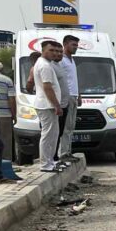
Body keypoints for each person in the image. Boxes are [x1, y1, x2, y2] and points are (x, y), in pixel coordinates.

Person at [32, 40, 64, 172]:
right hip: (46, 105)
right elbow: (47, 87)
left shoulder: (46, 64)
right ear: (43, 50)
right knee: (48, 135)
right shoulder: (44, 65)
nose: (54, 53)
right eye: (51, 50)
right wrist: (57, 105)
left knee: (53, 134)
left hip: (48, 105)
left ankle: (50, 161)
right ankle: (45, 164)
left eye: (57, 51)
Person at [0, 60, 20, 182]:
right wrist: (14, 114)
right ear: (1, 69)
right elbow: (11, 99)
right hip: (4, 114)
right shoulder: (6, 80)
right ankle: (4, 168)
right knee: (4, 143)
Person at [56, 34, 81, 164]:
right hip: (67, 96)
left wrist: (79, 95)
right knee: (66, 126)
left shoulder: (72, 60)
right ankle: (63, 153)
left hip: (74, 96)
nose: (75, 47)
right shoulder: (62, 60)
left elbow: (73, 79)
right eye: (73, 45)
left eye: (76, 45)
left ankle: (67, 151)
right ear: (65, 44)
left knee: (71, 126)